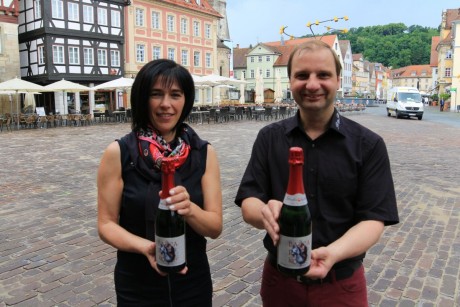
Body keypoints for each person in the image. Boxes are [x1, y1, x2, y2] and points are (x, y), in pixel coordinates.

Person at [235, 40, 399, 306]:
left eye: (323, 75)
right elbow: (249, 201)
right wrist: (265, 212)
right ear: (290, 81)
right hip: (281, 283)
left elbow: (374, 220)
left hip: (341, 285)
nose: (312, 84)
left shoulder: (368, 144)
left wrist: (332, 254)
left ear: (337, 80)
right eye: (302, 75)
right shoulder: (269, 138)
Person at [97, 59, 223, 306]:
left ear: (185, 100)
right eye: (156, 94)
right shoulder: (119, 152)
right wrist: (146, 247)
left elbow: (214, 227)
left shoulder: (204, 153)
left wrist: (190, 209)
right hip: (137, 282)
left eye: (175, 94)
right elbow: (106, 224)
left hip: (192, 280)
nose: (166, 104)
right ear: (143, 99)